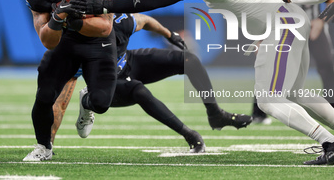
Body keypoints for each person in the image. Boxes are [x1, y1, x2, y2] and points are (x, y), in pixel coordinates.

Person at [69, 0, 334, 165]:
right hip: (293, 18)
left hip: (280, 25)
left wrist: (107, 4)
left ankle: (328, 143)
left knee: (269, 101)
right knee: (296, 92)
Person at [51, 13, 254, 153]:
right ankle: (189, 135)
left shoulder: (118, 22)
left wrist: (169, 34)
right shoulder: (76, 46)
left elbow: (145, 20)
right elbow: (60, 100)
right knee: (138, 90)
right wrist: (46, 143)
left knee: (188, 59)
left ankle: (215, 114)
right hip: (104, 85)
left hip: (128, 62)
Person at [22, 0, 117, 161]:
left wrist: (74, 20)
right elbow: (47, 40)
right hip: (64, 42)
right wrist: (57, 18)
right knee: (44, 94)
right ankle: (43, 147)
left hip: (98, 42)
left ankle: (86, 102)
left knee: (101, 103)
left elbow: (105, 26)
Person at [252, 0, 334, 124]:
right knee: (268, 66)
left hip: (312, 28)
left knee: (327, 65)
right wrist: (261, 36)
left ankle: (331, 107)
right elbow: (264, 10)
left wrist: (321, 20)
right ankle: (258, 111)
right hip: (285, 30)